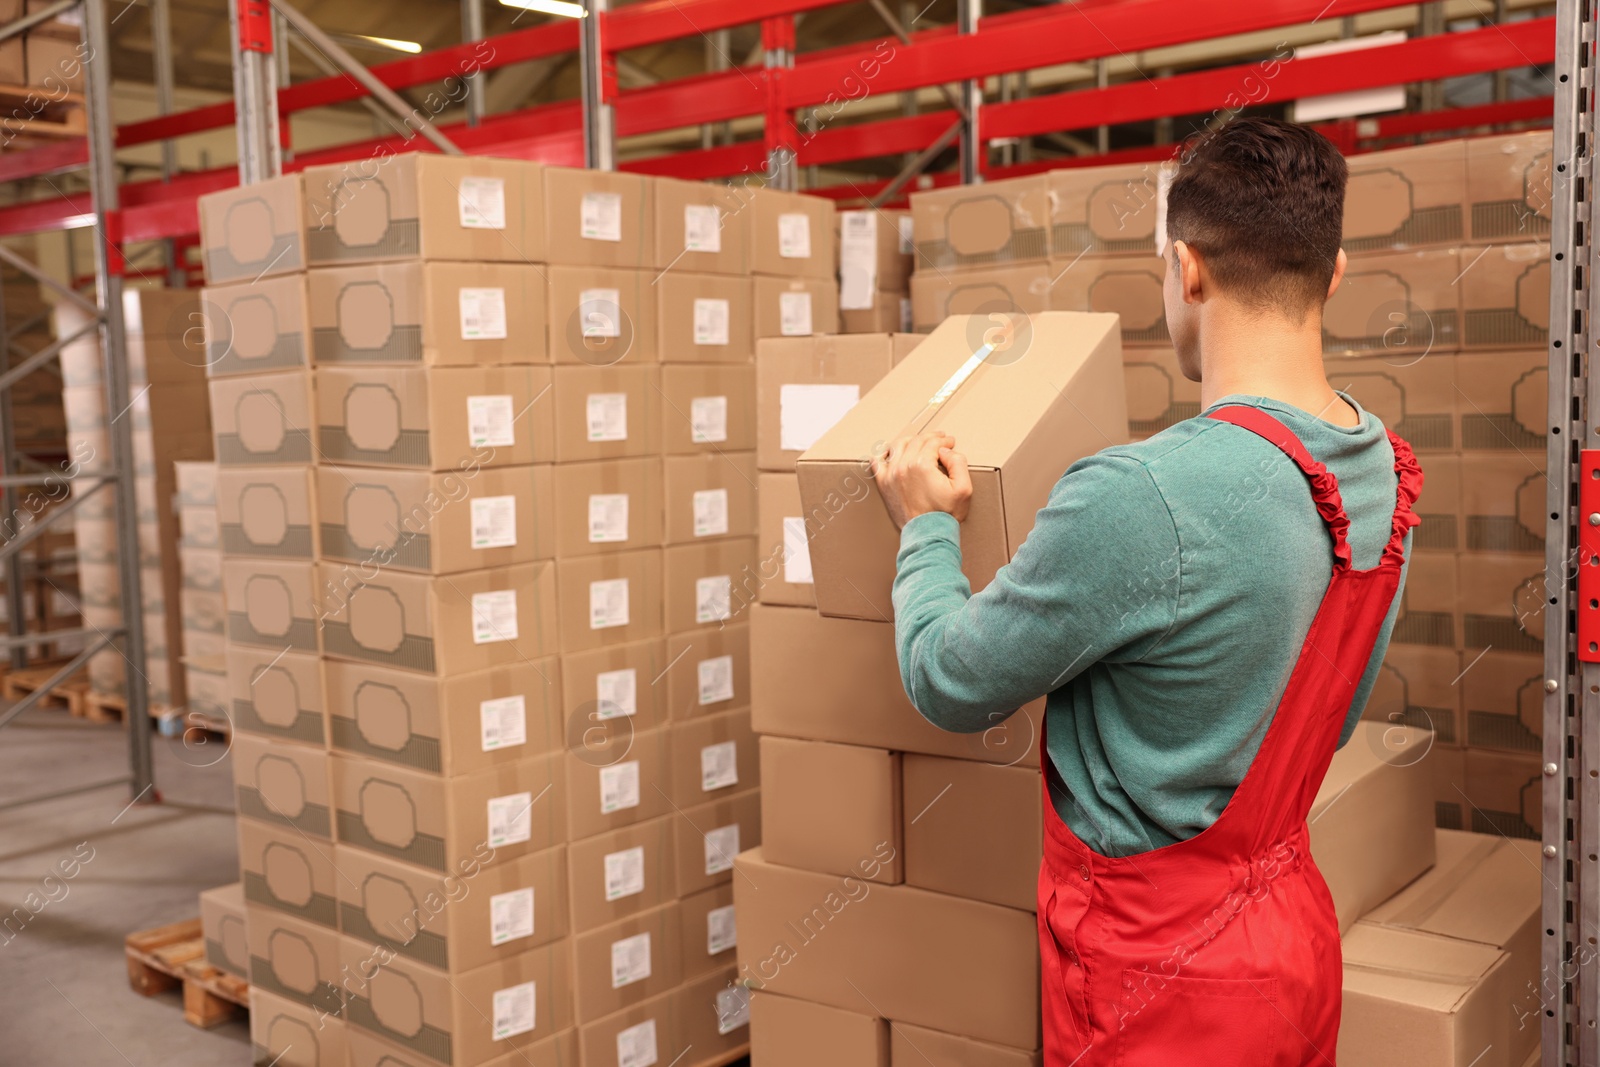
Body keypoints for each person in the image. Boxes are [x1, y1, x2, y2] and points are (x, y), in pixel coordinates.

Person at [872, 117, 1420, 1066]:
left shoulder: (1142, 495)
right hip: (1291, 949)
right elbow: (1313, 717)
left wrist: (926, 526)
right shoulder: (1386, 474)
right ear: (1332, 275)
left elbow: (947, 681)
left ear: (1188, 268)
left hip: (1160, 984)